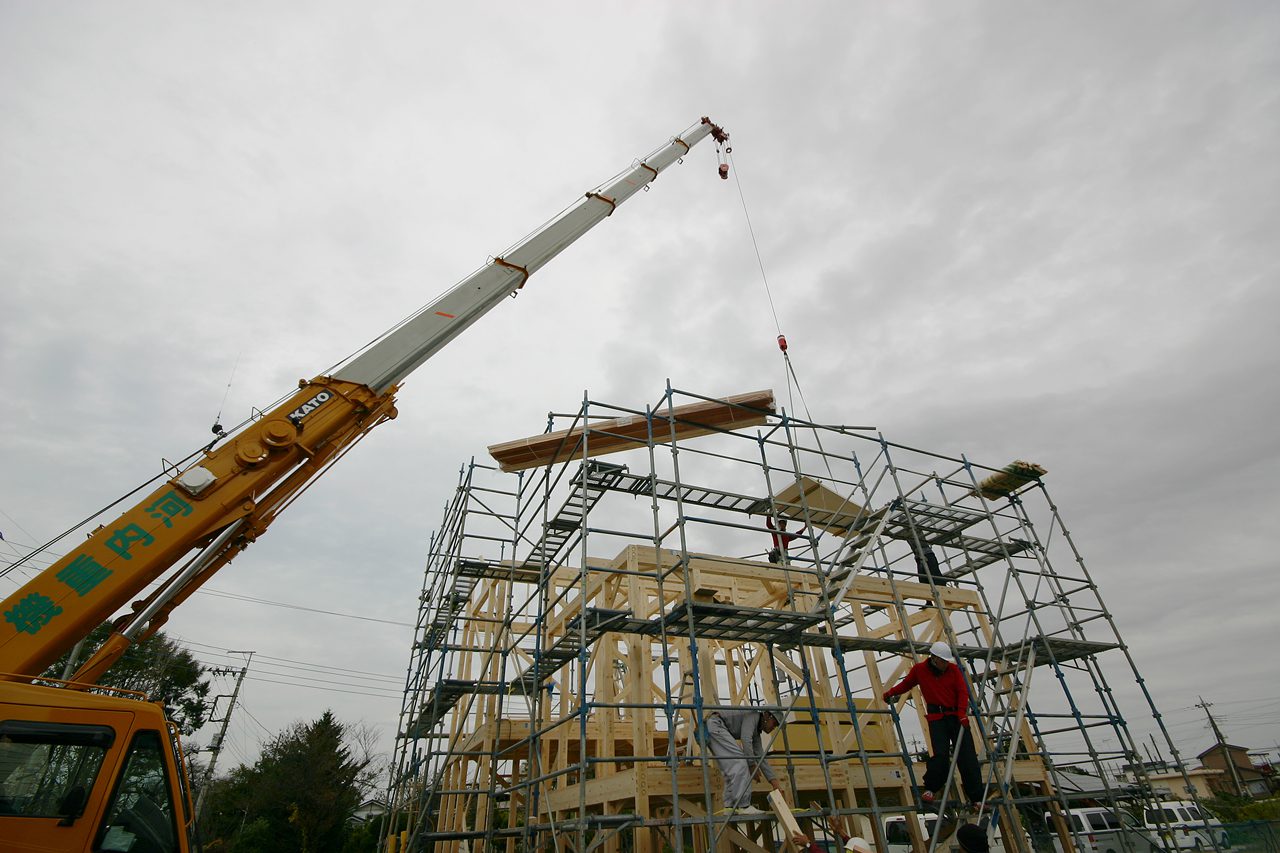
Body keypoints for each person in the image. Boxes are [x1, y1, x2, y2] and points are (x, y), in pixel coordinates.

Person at [881, 641, 983, 808]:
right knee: (940, 756)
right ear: (934, 659)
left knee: (967, 757)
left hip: (956, 716)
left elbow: (962, 691)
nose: (945, 664)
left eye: (946, 661)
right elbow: (907, 683)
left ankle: (976, 798)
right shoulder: (920, 670)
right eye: (943, 661)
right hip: (937, 718)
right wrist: (891, 693)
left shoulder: (953, 670)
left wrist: (962, 713)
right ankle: (931, 789)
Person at [705, 707, 785, 815]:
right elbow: (745, 739)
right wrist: (751, 765)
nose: (773, 728)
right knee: (740, 762)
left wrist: (775, 784)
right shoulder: (754, 715)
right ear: (767, 715)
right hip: (716, 724)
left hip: (714, 726)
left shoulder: (756, 732)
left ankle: (729, 807)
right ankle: (744, 806)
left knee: (731, 767)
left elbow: (761, 757)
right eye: (774, 723)